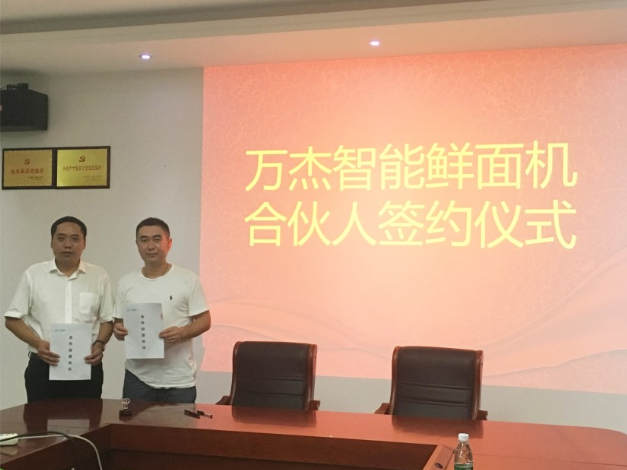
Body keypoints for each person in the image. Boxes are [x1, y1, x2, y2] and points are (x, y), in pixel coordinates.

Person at [4, 216, 114, 402]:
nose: (67, 245)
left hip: (86, 365)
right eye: (61, 238)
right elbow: (12, 319)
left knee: (88, 419)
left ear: (84, 243)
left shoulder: (99, 276)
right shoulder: (33, 274)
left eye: (75, 239)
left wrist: (100, 344)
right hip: (43, 366)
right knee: (40, 420)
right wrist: (38, 343)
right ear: (51, 242)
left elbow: (107, 320)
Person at [113, 217, 210, 403]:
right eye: (144, 240)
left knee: (179, 424)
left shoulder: (187, 279)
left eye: (157, 239)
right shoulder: (126, 282)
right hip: (138, 378)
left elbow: (205, 320)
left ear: (169, 243)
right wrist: (118, 330)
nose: (150, 246)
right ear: (137, 245)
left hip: (179, 380)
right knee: (133, 423)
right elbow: (118, 325)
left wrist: (182, 332)